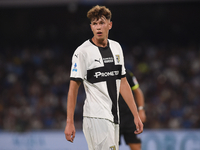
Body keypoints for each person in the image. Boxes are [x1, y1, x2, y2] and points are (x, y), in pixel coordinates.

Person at [64, 5, 143, 150]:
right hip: (96, 117)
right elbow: (73, 88)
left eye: (101, 23)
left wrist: (135, 115)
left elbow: (123, 83)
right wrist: (69, 122)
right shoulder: (82, 52)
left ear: (109, 25)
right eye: (94, 24)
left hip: (114, 118)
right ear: (91, 27)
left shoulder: (117, 48)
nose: (98, 27)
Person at [119, 70, 146, 150]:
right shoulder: (105, 74)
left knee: (136, 146)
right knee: (112, 146)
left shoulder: (127, 74)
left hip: (129, 117)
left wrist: (141, 110)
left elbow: (137, 91)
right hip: (113, 117)